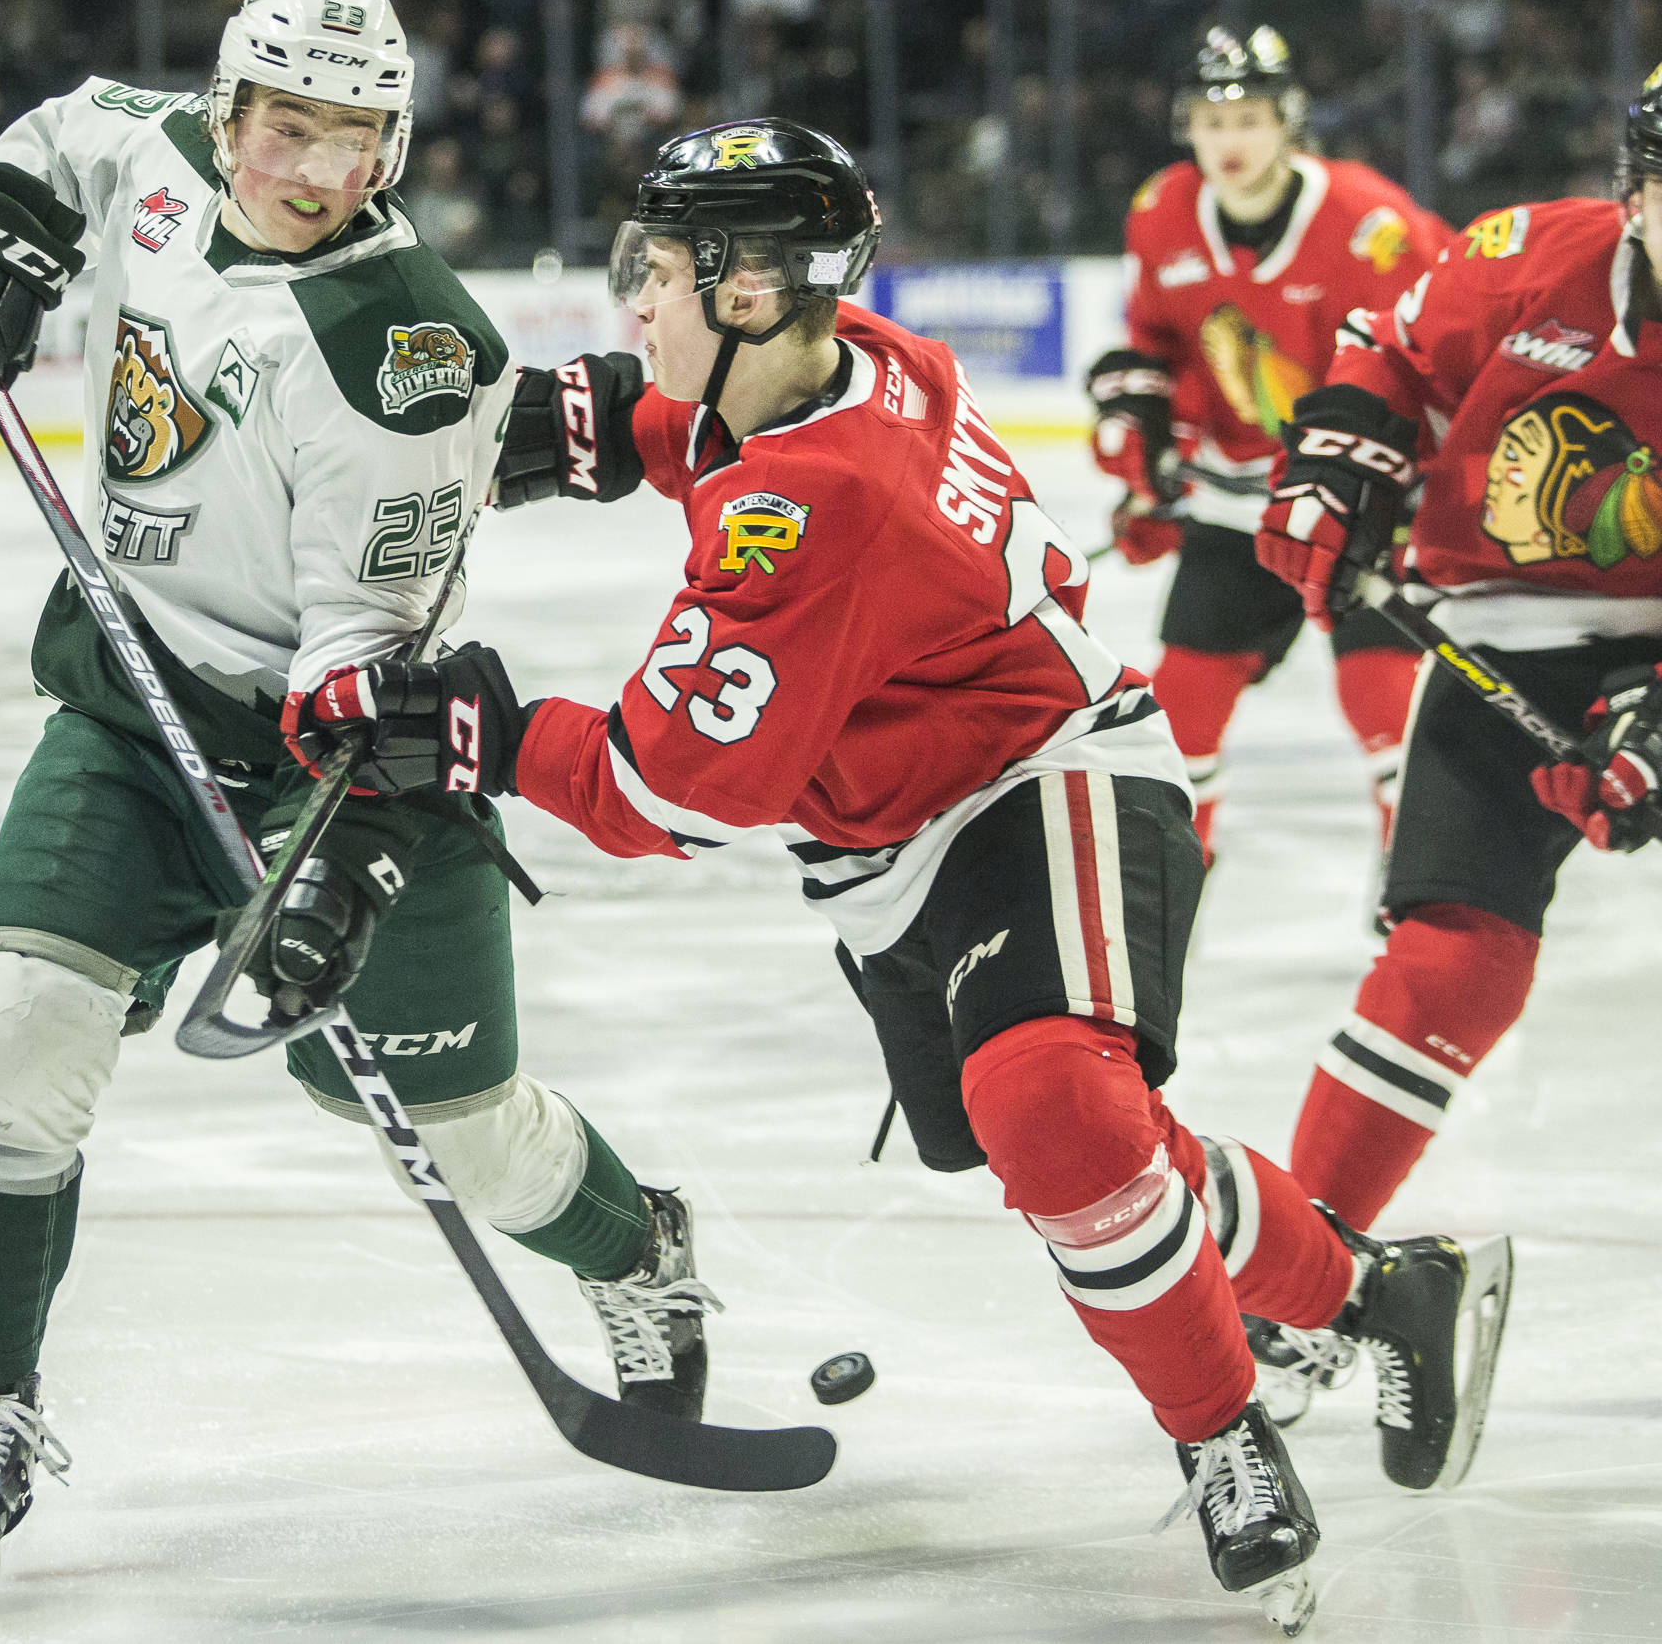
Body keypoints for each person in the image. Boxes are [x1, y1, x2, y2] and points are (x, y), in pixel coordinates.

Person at [307, 118, 1510, 1634]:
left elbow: (659, 789)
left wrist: (474, 729)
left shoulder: (815, 507)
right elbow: (745, 440)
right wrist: (630, 427)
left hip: (1042, 775)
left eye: (662, 275)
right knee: (1093, 1151)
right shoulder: (850, 356)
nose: (639, 306)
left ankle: (1223, 1438)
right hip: (890, 841)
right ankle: (1374, 1292)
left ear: (750, 291)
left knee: (1051, 1108)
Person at [0, 0, 719, 1618]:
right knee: (14, 1037)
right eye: (284, 124)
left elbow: (363, 666)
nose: (311, 164)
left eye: (350, 136)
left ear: (390, 141)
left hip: (347, 757)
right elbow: (61, 139)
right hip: (136, 709)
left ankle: (638, 1242)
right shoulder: (159, 151)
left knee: (452, 1136)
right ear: (226, 110)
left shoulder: (408, 350)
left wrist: (326, 875)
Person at [1254, 66, 1662, 1360]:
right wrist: (1341, 460)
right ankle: (1302, 1272)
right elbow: (1389, 344)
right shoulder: (1536, 259)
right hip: (1504, 634)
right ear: (1635, 193)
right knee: (1453, 958)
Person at [1088, 26, 1449, 863]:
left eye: (1249, 119)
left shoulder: (1372, 223)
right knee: (1182, 710)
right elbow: (1154, 347)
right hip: (1235, 503)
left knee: (1383, 702)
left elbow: (1435, 354)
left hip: (1363, 502)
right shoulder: (1160, 210)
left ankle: (1424, 883)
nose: (1230, 141)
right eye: (1212, 122)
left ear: (1289, 122)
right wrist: (1149, 447)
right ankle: (1168, 887)